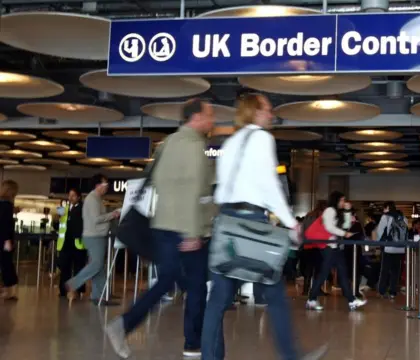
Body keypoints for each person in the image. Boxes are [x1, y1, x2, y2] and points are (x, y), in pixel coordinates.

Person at [202, 92, 327, 360]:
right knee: (275, 294)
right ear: (255, 111)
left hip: (226, 221)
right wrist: (292, 223)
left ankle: (208, 357)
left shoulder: (230, 141)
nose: (271, 114)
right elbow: (269, 188)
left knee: (218, 300)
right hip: (252, 222)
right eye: (267, 109)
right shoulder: (261, 138)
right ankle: (291, 356)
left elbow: (220, 187)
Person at [105, 99, 215, 359]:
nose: (213, 120)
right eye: (209, 115)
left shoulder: (166, 144)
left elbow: (156, 182)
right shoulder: (195, 146)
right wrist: (192, 233)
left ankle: (125, 324)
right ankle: (192, 345)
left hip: (162, 224)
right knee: (197, 286)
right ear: (196, 117)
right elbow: (193, 191)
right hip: (186, 228)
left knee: (168, 280)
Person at [306, 191, 366, 311]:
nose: (344, 202)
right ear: (337, 200)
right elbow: (330, 227)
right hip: (328, 246)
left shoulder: (338, 213)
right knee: (324, 273)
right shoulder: (329, 211)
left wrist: (348, 212)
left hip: (334, 247)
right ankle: (311, 299)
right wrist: (344, 233)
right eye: (342, 200)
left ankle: (351, 300)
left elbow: (346, 226)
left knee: (342, 273)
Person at [65, 174, 120, 305]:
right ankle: (73, 283)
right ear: (98, 185)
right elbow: (96, 219)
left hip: (96, 235)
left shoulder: (96, 198)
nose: (107, 187)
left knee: (99, 267)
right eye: (105, 184)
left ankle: (98, 296)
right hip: (94, 236)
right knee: (96, 264)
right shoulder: (93, 199)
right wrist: (113, 214)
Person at [57, 188, 87, 298]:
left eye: (73, 195)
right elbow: (59, 223)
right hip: (66, 242)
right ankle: (63, 290)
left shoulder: (83, 208)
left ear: (79, 197)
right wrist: (59, 217)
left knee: (79, 267)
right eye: (69, 195)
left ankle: (78, 290)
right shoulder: (64, 209)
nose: (70, 198)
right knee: (65, 267)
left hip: (78, 242)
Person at [376, 202, 407, 300]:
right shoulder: (403, 218)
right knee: (395, 271)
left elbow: (379, 232)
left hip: (388, 247)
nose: (383, 211)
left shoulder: (385, 217)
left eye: (384, 208)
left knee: (384, 270)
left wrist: (378, 243)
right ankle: (393, 291)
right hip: (400, 248)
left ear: (388, 208)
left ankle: (382, 290)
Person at [0, 180, 19, 300]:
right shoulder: (7, 205)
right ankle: (8, 290)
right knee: (6, 264)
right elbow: (5, 224)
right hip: (4, 240)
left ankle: (6, 289)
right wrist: (7, 240)